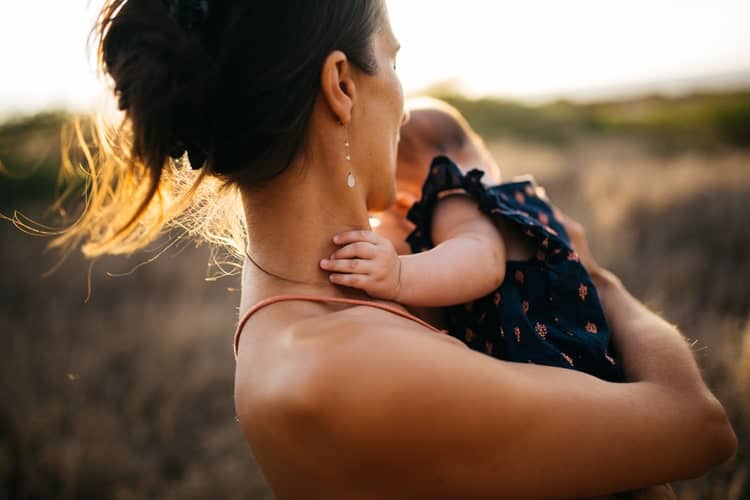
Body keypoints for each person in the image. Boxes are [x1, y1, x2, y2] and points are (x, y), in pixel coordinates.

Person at [63, 0, 735, 498]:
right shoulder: (341, 368)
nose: (407, 106)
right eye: (393, 59)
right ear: (342, 85)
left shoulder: (323, 293)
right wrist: (590, 272)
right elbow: (698, 429)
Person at [325, 98, 624, 382]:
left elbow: (483, 260)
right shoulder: (513, 208)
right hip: (583, 356)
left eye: (391, 216)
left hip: (546, 365)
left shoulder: (454, 199)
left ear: (408, 202)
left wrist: (398, 273)